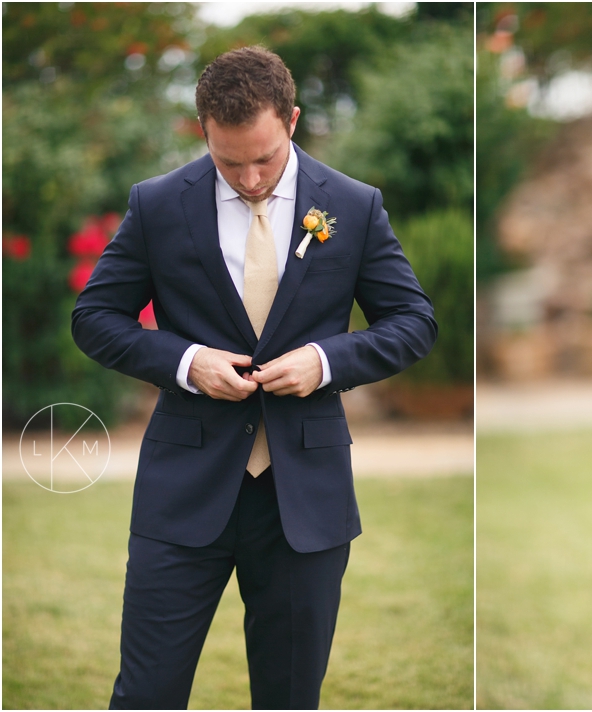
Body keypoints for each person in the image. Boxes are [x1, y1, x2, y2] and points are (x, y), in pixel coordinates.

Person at [72, 46, 437, 709]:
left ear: (292, 120)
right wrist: (185, 363)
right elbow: (95, 317)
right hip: (181, 496)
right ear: (203, 130)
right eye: (228, 161)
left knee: (290, 699)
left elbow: (413, 322)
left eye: (264, 158)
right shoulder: (157, 206)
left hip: (305, 502)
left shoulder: (353, 207)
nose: (247, 177)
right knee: (145, 695)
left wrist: (325, 361)